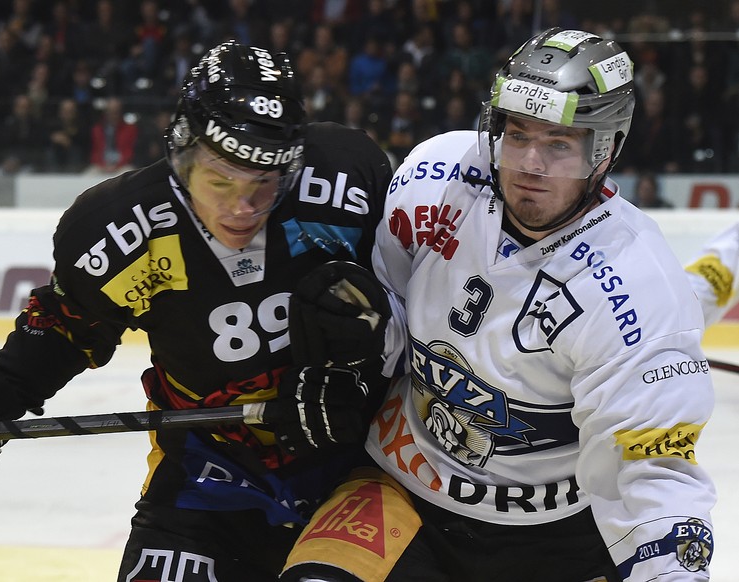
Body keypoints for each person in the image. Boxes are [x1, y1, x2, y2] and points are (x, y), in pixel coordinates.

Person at [0, 41, 398, 582]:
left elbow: (421, 306)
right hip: (208, 477)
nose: (241, 208)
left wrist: (359, 374)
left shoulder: (352, 184)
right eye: (219, 179)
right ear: (181, 151)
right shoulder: (118, 230)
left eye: (264, 183)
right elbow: (70, 327)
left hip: (359, 469)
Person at [281, 28, 717, 581]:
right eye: (516, 134)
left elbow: (652, 472)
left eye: (559, 143)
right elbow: (388, 316)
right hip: (403, 486)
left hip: (552, 539)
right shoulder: (433, 178)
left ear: (605, 149)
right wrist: (356, 341)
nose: (529, 164)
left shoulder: (637, 286)